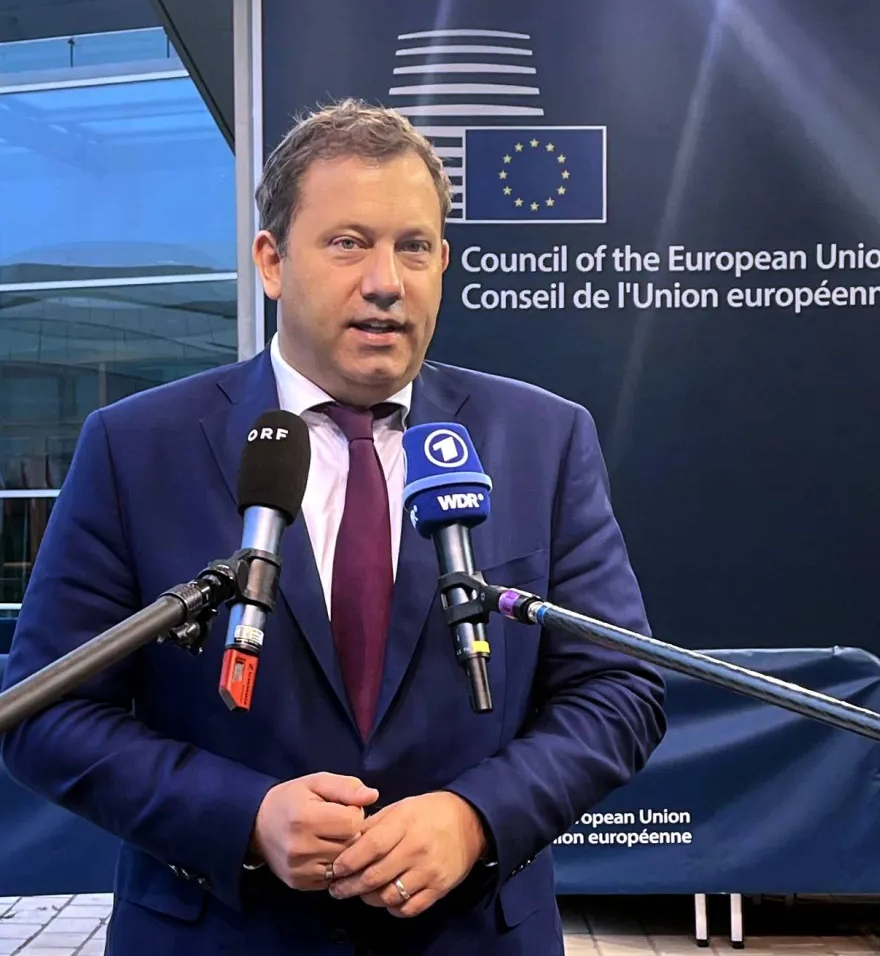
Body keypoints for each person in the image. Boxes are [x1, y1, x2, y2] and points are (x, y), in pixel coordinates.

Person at [0, 98, 667, 955]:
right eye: (349, 242)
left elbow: (620, 691)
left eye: (414, 247)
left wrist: (475, 818)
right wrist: (244, 816)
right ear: (273, 262)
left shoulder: (544, 438)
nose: (386, 279)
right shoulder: (136, 448)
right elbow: (46, 713)